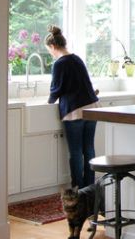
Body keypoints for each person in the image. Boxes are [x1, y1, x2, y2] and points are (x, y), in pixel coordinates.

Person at [45, 25, 99, 188]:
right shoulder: (77, 58)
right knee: (89, 148)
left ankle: (77, 188)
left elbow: (57, 88)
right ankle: (89, 187)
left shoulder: (59, 63)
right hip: (92, 107)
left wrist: (50, 100)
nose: (51, 53)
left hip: (74, 111)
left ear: (53, 46)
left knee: (75, 152)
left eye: (49, 50)